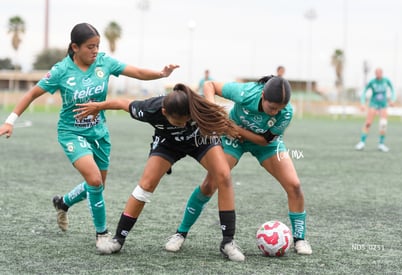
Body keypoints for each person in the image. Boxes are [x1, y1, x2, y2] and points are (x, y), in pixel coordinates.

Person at [0, 22, 179, 253]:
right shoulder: (61, 71)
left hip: (99, 133)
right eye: (90, 47)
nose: (95, 51)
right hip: (71, 133)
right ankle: (102, 234)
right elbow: (32, 93)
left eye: (97, 46)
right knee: (94, 180)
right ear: (75, 47)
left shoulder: (104, 62)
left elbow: (135, 72)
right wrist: (9, 121)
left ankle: (63, 202)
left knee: (98, 185)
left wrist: (161, 73)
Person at [72, 83, 246, 261]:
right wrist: (99, 106)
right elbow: (123, 103)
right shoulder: (150, 109)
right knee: (146, 185)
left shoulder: (197, 107)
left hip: (201, 140)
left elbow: (221, 119)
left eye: (186, 120)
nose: (183, 124)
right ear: (164, 112)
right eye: (178, 122)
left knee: (223, 175)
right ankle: (118, 240)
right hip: (167, 143)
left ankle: (227, 242)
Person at [165, 75, 313, 255]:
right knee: (209, 185)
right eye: (272, 107)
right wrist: (214, 114)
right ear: (263, 95)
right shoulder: (246, 92)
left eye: (279, 109)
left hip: (264, 144)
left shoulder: (286, 112)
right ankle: (180, 233)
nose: (275, 112)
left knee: (295, 186)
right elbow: (211, 85)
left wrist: (233, 128)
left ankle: (300, 239)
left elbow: (264, 140)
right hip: (232, 139)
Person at [355, 67, 396, 152]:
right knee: (368, 123)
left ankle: (381, 144)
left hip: (383, 105)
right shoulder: (372, 82)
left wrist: (392, 100)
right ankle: (362, 142)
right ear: (375, 73)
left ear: (382, 73)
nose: (378, 74)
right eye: (376, 72)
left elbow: (393, 90)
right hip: (373, 104)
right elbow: (364, 92)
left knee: (383, 124)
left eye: (379, 72)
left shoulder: (386, 81)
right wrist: (363, 103)